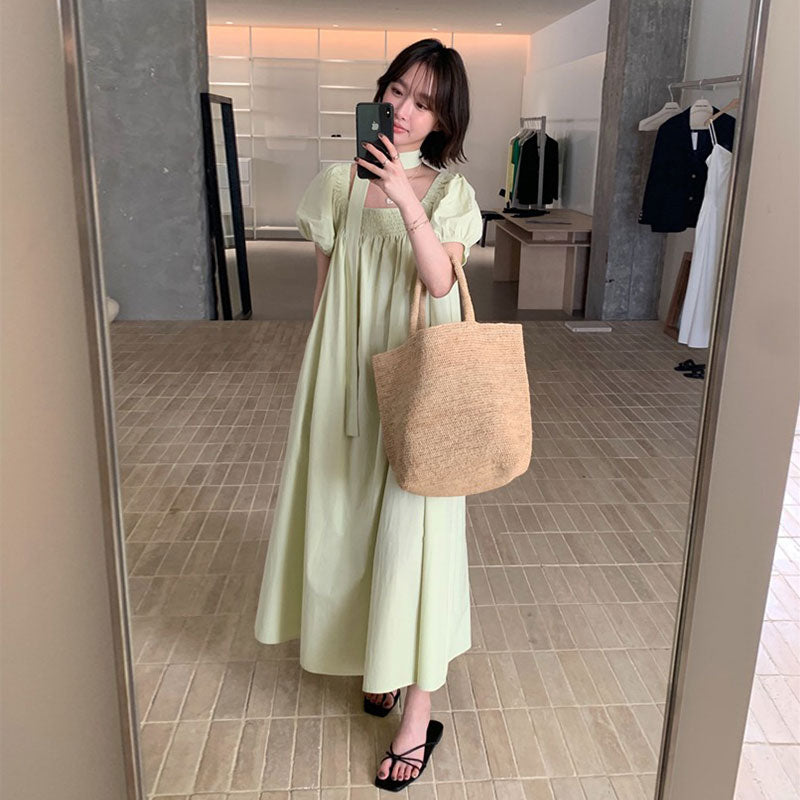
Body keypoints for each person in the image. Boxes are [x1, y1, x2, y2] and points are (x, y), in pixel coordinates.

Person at [254, 38, 483, 789]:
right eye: (397, 92)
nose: (405, 110)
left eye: (425, 103)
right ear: (380, 93)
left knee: (416, 540)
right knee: (347, 524)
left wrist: (404, 195)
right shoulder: (335, 185)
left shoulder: (451, 195)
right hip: (344, 378)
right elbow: (326, 292)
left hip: (419, 387)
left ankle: (418, 714)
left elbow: (440, 283)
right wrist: (315, 379)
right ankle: (374, 660)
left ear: (444, 120)